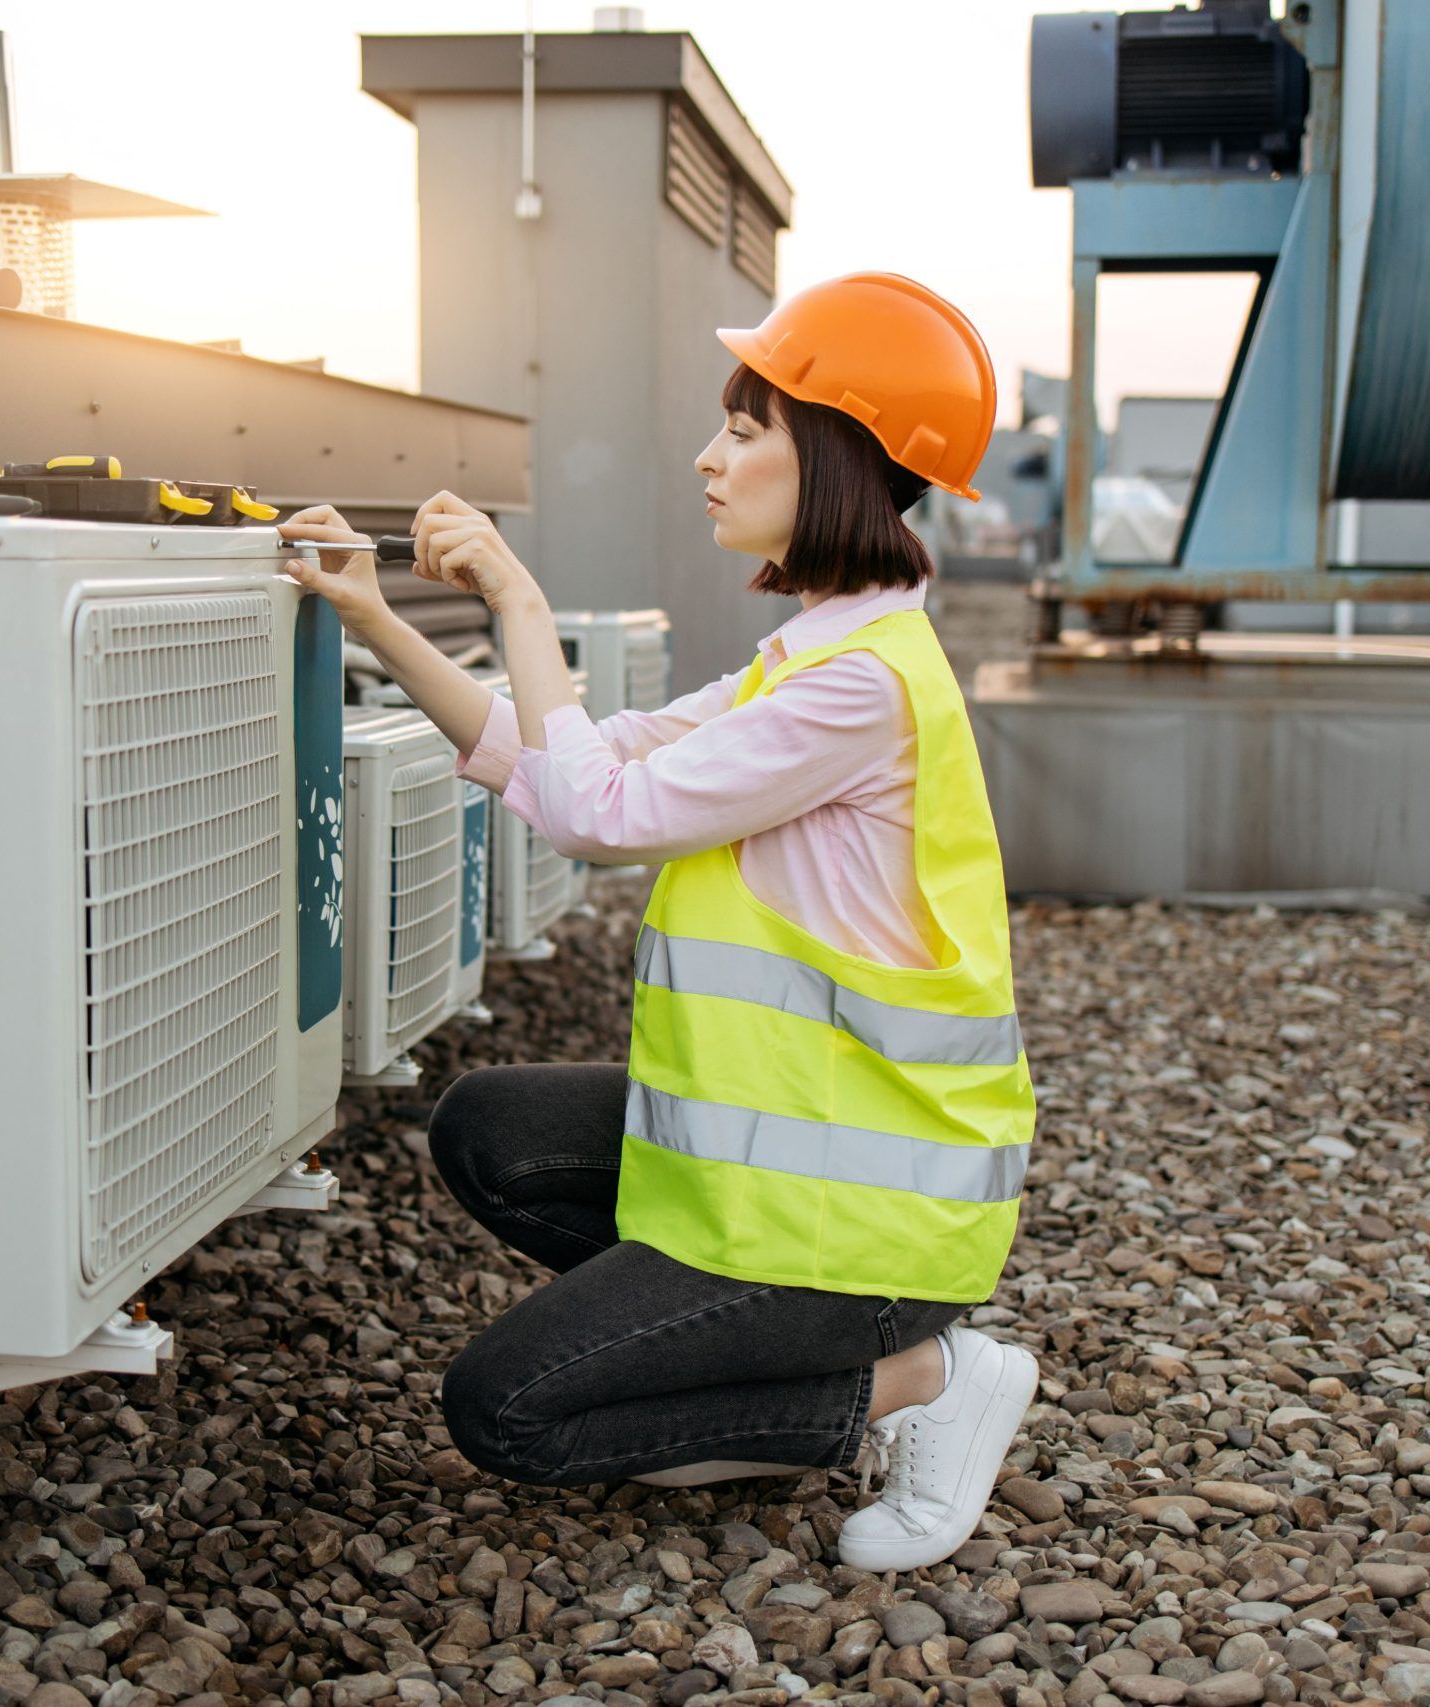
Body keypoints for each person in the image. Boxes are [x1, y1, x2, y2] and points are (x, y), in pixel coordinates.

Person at [279, 272, 1038, 1573]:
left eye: (749, 429)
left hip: (863, 1230)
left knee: (505, 1410)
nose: (710, 455)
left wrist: (519, 599)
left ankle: (917, 1379)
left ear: (842, 459)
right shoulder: (819, 652)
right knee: (487, 1128)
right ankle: (734, 1381)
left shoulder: (857, 689)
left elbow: (602, 811)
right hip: (788, 1178)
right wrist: (379, 618)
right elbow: (577, 753)